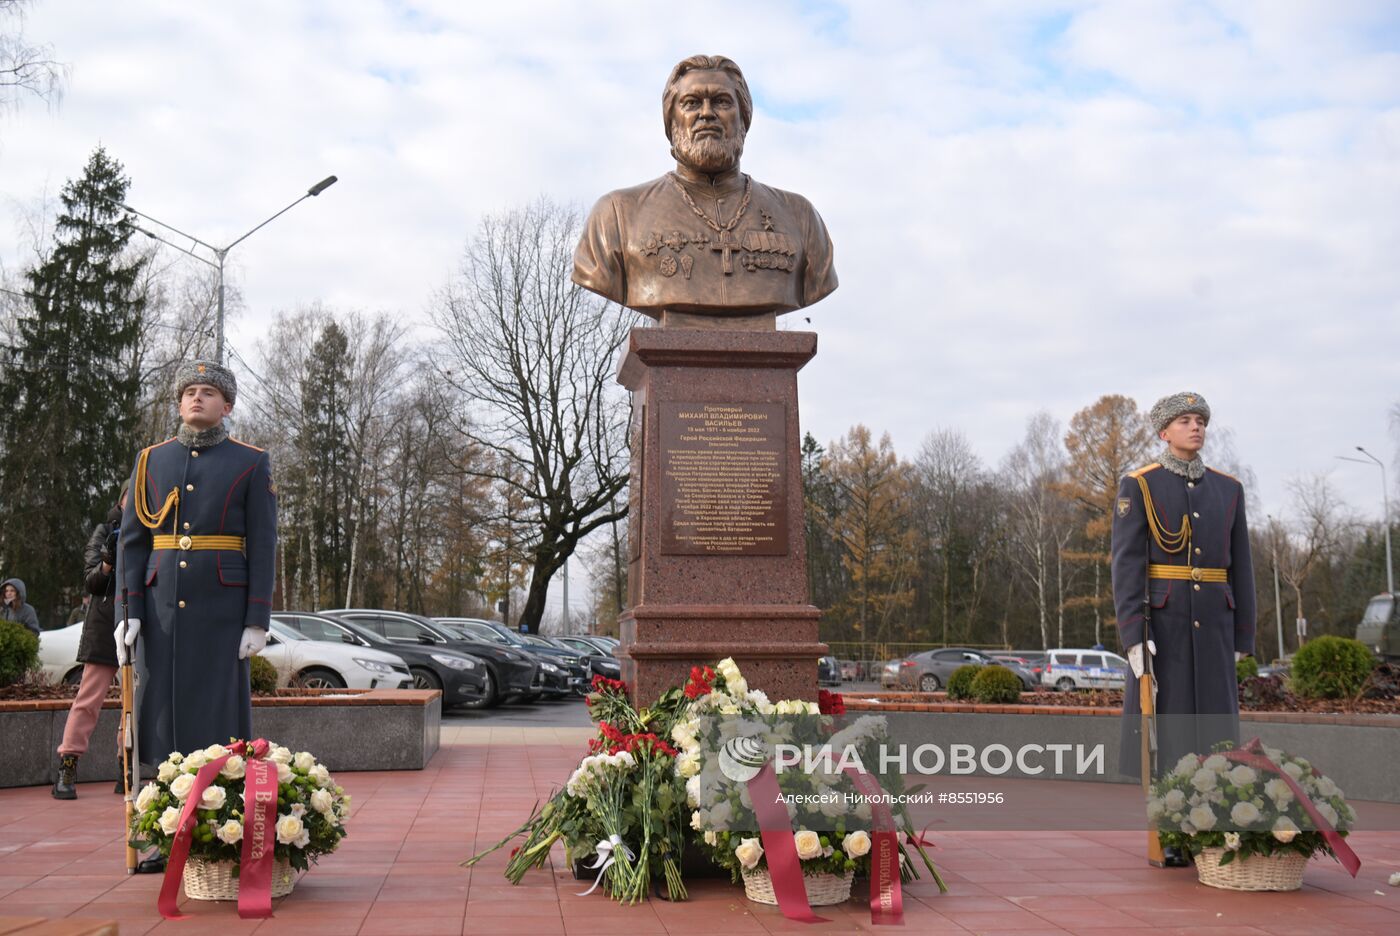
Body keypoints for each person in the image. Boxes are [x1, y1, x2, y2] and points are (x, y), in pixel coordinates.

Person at [573, 55, 837, 322]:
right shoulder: (617, 215)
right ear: (671, 119)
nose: (707, 113)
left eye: (722, 102)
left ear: (743, 118)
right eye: (691, 103)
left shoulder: (799, 217)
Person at [1111, 392, 1256, 866]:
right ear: (1163, 432)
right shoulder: (1140, 485)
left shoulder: (1228, 489)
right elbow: (1127, 565)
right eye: (1185, 421)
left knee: (1215, 733)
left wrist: (1242, 638)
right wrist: (1133, 636)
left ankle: (1215, 828)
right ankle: (1172, 833)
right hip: (1165, 626)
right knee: (1169, 734)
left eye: (1200, 421)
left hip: (1215, 623)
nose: (1196, 428)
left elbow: (1243, 569)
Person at [116, 360, 277, 767]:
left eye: (208, 392)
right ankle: (166, 802)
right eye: (189, 392)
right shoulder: (151, 460)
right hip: (160, 608)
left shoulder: (251, 461)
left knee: (218, 712)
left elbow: (262, 544)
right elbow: (133, 544)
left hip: (222, 610)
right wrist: (129, 610)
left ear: (226, 406)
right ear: (179, 404)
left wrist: (257, 618)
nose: (197, 398)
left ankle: (218, 805)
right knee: (161, 712)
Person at [53, 487, 127, 799]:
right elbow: (92, 582)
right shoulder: (104, 530)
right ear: (121, 500)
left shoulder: (155, 531)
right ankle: (68, 764)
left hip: (137, 625)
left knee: (134, 705)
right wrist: (108, 560)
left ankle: (126, 766)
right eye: (130, 497)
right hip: (104, 625)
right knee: (88, 700)